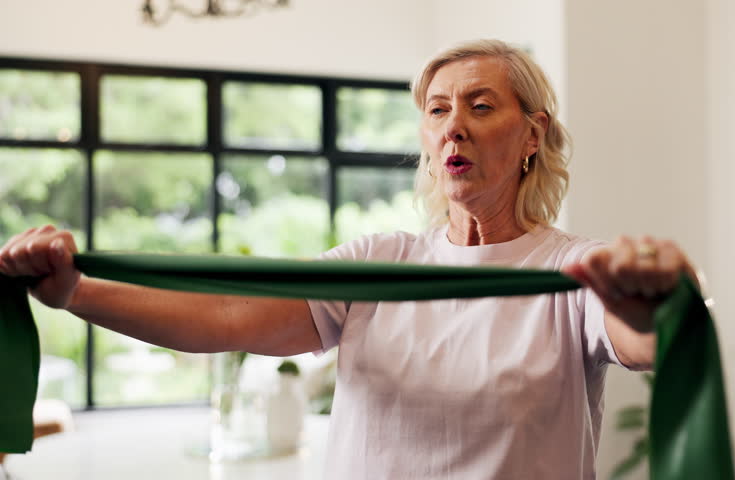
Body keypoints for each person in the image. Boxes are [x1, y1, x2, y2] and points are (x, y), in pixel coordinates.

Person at [0, 39, 698, 479]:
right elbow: (227, 316)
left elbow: (647, 340)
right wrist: (75, 293)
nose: (453, 124)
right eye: (437, 110)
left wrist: (657, 298)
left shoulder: (577, 270)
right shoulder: (378, 262)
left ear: (532, 136)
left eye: (481, 106)